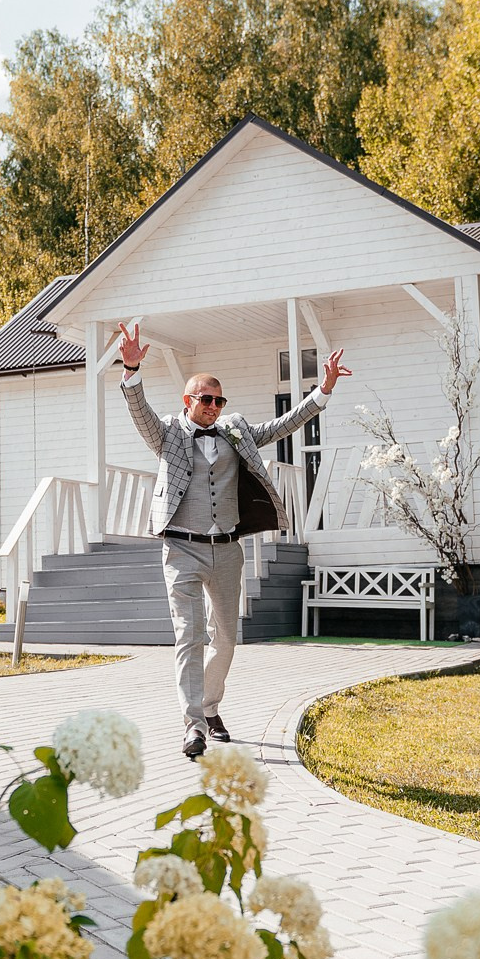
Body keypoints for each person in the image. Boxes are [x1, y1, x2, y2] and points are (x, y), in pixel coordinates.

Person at [116, 322, 352, 758]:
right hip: (181, 548)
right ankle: (193, 726)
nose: (214, 406)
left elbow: (284, 426)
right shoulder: (167, 432)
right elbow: (139, 411)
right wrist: (132, 368)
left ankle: (209, 705)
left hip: (226, 549)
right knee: (190, 637)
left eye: (219, 400)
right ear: (188, 401)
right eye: (206, 399)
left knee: (224, 637)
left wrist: (323, 390)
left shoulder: (237, 429)